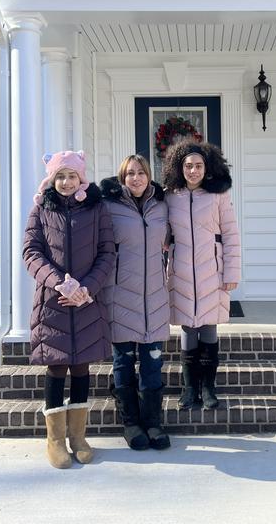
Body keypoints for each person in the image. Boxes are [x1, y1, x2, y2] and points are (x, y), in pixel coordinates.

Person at [23, 150, 115, 469]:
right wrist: (59, 284)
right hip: (53, 302)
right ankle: (55, 441)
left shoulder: (97, 208)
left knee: (81, 368)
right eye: (60, 176)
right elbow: (31, 252)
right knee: (57, 367)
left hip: (86, 301)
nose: (65, 182)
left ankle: (78, 438)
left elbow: (107, 252)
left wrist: (85, 288)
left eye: (71, 176)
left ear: (81, 178)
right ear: (52, 179)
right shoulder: (40, 209)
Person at [100, 155, 171, 450]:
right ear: (122, 178)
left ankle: (153, 423)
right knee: (124, 363)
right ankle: (131, 424)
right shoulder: (109, 207)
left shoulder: (162, 206)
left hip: (154, 296)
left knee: (153, 365)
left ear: (149, 175)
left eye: (141, 172)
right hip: (120, 296)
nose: (136, 178)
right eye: (130, 173)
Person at [163, 140, 241, 409]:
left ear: (206, 168)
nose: (193, 171)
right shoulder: (170, 196)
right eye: (188, 166)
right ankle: (188, 389)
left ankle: (208, 389)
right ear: (179, 167)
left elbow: (231, 235)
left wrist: (231, 271)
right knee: (187, 327)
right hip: (182, 270)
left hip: (213, 271)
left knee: (208, 327)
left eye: (198, 165)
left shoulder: (219, 196)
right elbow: (163, 232)